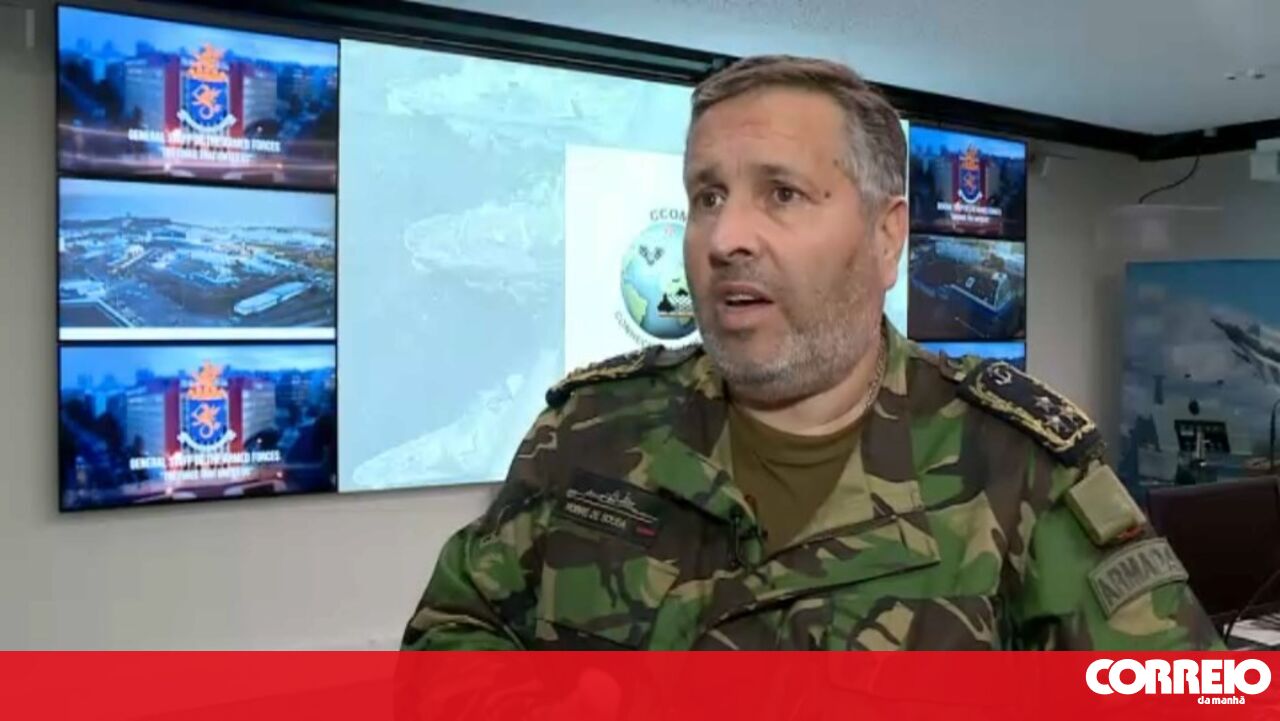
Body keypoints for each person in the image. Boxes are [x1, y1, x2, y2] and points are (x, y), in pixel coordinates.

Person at [400, 55, 1221, 650]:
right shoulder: (588, 430)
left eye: (782, 193)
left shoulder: (1020, 468)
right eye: (707, 196)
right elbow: (452, 631)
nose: (724, 236)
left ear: (886, 236)